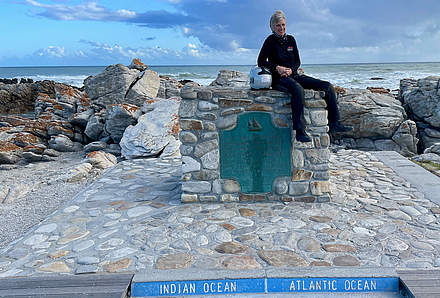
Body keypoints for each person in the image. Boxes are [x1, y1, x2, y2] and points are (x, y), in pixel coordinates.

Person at [257, 10, 352, 142]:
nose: (281, 28)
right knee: (297, 90)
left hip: (294, 75)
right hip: (279, 79)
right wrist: (277, 68)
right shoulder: (270, 41)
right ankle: (300, 131)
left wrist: (291, 70)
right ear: (273, 27)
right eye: (278, 25)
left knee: (327, 86)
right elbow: (261, 61)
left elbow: (297, 61)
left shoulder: (291, 39)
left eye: (283, 25)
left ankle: (335, 123)